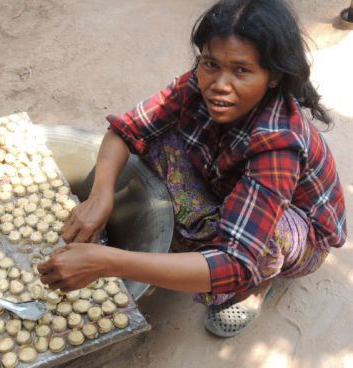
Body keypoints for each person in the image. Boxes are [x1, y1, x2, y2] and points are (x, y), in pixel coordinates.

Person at [38, 0, 347, 337]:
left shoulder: (277, 146)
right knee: (155, 145)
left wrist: (107, 262)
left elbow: (234, 260)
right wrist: (101, 197)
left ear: (272, 76)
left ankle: (257, 286)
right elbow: (125, 131)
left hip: (293, 230)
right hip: (229, 183)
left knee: (259, 243)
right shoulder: (198, 85)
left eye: (242, 70)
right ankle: (194, 240)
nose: (220, 85)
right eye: (210, 63)